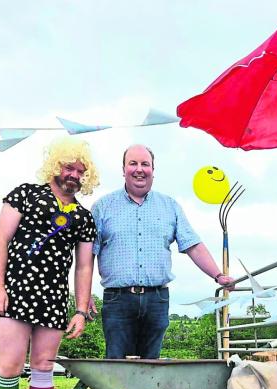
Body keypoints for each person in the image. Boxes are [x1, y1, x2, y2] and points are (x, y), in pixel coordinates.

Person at [0, 138, 98, 389]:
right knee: (9, 367)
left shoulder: (84, 217)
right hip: (15, 293)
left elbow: (84, 266)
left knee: (44, 367)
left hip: (53, 299)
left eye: (80, 171)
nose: (73, 175)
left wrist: (80, 309)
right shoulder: (24, 194)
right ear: (55, 166)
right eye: (69, 167)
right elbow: (0, 240)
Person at [91, 144, 235, 359]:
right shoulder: (102, 207)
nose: (139, 169)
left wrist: (218, 275)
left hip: (156, 300)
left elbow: (193, 245)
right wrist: (84, 296)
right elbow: (88, 254)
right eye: (133, 163)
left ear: (153, 170)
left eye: (145, 164)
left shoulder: (170, 206)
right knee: (117, 364)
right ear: (123, 170)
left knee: (152, 365)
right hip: (117, 300)